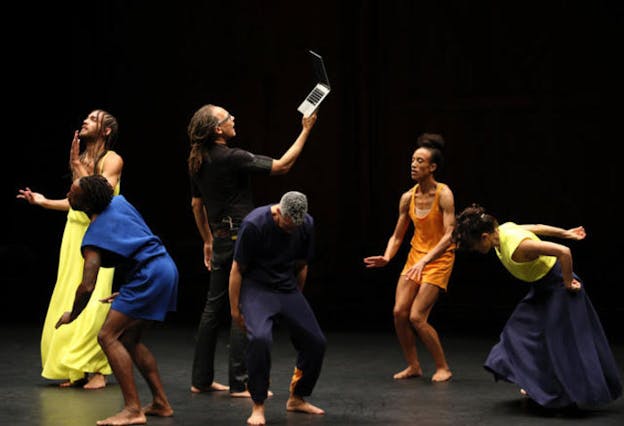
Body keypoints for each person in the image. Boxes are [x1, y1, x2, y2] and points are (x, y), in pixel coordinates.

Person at [187, 104, 318, 396]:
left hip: (221, 236)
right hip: (239, 237)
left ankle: (201, 380)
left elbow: (197, 205)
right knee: (242, 305)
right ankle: (240, 382)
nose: (234, 118)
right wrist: (306, 129)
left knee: (212, 307)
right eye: (227, 117)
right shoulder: (232, 157)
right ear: (218, 129)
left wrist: (207, 239)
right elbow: (283, 166)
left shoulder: (197, 158)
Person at [452, 204, 622, 408]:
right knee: (517, 333)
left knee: (559, 342)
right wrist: (565, 233)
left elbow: (564, 252)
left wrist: (567, 282)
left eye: (475, 247)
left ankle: (564, 394)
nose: (477, 251)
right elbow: (537, 226)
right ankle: (537, 384)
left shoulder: (517, 246)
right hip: (542, 289)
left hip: (559, 287)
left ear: (485, 237)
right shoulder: (504, 229)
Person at [57, 174, 178, 425]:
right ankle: (161, 403)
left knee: (106, 336)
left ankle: (133, 409)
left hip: (149, 276)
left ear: (88, 204)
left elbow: (87, 286)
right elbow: (135, 242)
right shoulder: (120, 202)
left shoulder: (92, 239)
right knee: (129, 339)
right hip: (163, 268)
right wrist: (133, 288)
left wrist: (73, 314)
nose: (68, 195)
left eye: (72, 193)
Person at [16, 109, 123, 389]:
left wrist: (77, 166)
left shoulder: (112, 160)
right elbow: (77, 203)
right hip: (73, 232)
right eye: (85, 117)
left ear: (106, 130)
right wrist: (43, 202)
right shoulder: (83, 160)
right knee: (69, 297)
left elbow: (97, 199)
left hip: (99, 234)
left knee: (95, 298)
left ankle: (97, 369)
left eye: (93, 118)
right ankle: (76, 369)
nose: (85, 120)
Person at [229, 191, 326, 425]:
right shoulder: (255, 224)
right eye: (288, 225)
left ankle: (297, 397)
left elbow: (302, 265)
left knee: (316, 341)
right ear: (278, 212)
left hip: (287, 288)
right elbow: (237, 270)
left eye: (296, 226)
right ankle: (258, 405)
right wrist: (235, 311)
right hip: (257, 288)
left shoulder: (305, 224)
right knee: (260, 339)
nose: (291, 229)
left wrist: (296, 302)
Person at [364, 133, 455, 382]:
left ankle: (443, 367)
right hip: (416, 256)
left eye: (420, 161)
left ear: (432, 167)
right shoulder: (408, 197)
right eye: (413, 160)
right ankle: (414, 365)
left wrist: (426, 260)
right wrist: (387, 257)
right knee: (399, 312)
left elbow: (450, 235)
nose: (414, 165)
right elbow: (397, 236)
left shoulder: (444, 194)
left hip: (440, 258)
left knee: (417, 316)